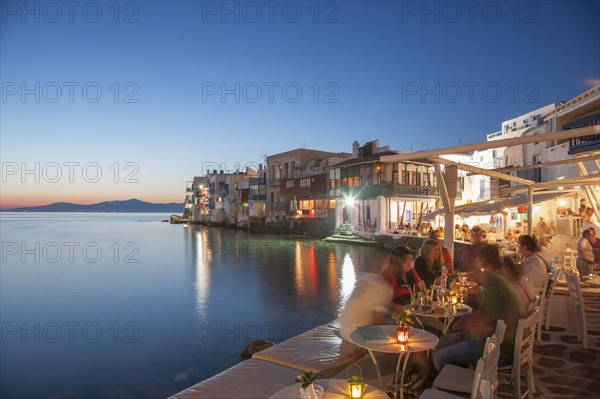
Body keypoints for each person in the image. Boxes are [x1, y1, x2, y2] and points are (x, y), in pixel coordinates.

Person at [432, 272, 525, 371]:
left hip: (500, 352)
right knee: (443, 340)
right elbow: (486, 316)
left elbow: (484, 328)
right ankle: (454, 372)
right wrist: (467, 318)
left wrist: (465, 326)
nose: (466, 274)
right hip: (495, 342)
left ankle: (451, 383)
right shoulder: (495, 281)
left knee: (439, 356)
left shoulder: (494, 289)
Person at [338, 273, 393, 342]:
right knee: (398, 336)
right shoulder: (382, 286)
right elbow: (378, 322)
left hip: (345, 330)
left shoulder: (365, 278)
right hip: (358, 336)